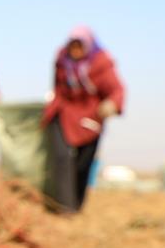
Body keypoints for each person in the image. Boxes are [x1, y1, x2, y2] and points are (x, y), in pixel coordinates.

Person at [42, 26, 124, 212]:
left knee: (82, 164)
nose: (76, 50)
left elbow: (117, 89)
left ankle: (77, 205)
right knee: (61, 159)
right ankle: (64, 208)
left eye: (80, 46)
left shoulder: (100, 63)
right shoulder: (62, 60)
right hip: (63, 113)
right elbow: (57, 86)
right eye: (73, 45)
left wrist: (111, 104)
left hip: (90, 117)